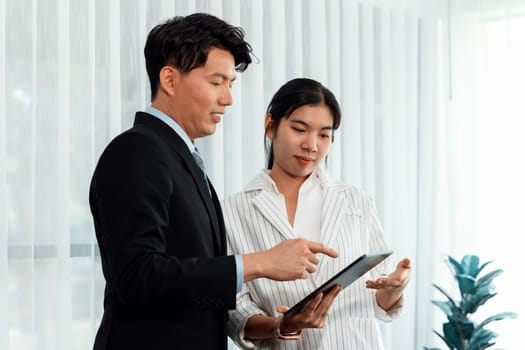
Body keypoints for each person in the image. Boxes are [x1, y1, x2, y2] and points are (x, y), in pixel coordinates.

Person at [89, 15, 339, 350]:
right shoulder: (136, 151)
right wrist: (261, 263)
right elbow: (137, 277)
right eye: (216, 82)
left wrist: (279, 323)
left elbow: (193, 287)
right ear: (170, 80)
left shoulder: (179, 157)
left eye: (230, 85)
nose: (228, 99)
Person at [223, 78, 412, 349]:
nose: (312, 145)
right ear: (270, 126)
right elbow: (235, 312)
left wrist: (393, 289)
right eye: (300, 129)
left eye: (324, 135)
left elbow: (377, 302)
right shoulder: (231, 211)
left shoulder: (356, 202)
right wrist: (282, 325)